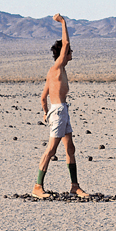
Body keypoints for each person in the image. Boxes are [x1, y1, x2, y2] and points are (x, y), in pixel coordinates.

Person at [33, 14, 90, 198]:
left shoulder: (58, 71)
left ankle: (75, 186)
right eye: (70, 51)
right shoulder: (56, 67)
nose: (71, 53)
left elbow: (43, 97)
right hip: (58, 112)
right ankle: (37, 187)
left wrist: (45, 113)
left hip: (61, 111)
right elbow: (65, 44)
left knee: (70, 149)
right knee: (51, 149)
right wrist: (63, 23)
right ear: (64, 54)